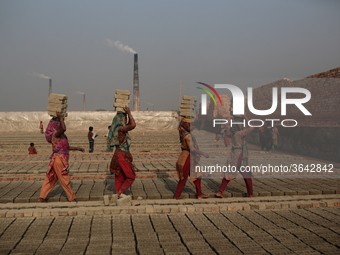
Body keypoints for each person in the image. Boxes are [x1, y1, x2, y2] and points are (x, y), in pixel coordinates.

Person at [38, 112, 84, 202]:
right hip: (59, 160)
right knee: (64, 178)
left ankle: (42, 197)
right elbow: (64, 128)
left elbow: (65, 147)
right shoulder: (55, 134)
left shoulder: (60, 136)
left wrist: (77, 148)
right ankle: (71, 197)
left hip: (56, 159)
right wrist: (60, 117)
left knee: (51, 178)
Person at [215, 114, 254, 198]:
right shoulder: (239, 134)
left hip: (234, 154)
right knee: (245, 174)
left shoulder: (233, 134)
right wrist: (246, 117)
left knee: (231, 172)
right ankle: (250, 194)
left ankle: (220, 191)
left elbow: (226, 127)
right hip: (239, 155)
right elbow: (251, 127)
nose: (244, 126)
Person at [174, 118, 210, 199]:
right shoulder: (187, 136)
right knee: (183, 178)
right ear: (187, 126)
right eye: (192, 125)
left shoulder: (188, 134)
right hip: (186, 158)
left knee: (197, 175)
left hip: (191, 158)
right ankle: (176, 196)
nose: (193, 127)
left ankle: (199, 194)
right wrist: (203, 153)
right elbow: (192, 149)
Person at [108, 107, 136, 198]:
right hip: (122, 156)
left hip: (117, 155)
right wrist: (129, 113)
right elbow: (133, 125)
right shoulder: (121, 129)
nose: (126, 119)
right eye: (124, 118)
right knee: (131, 176)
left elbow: (128, 125)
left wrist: (127, 114)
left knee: (119, 177)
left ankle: (117, 195)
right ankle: (120, 192)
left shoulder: (116, 129)